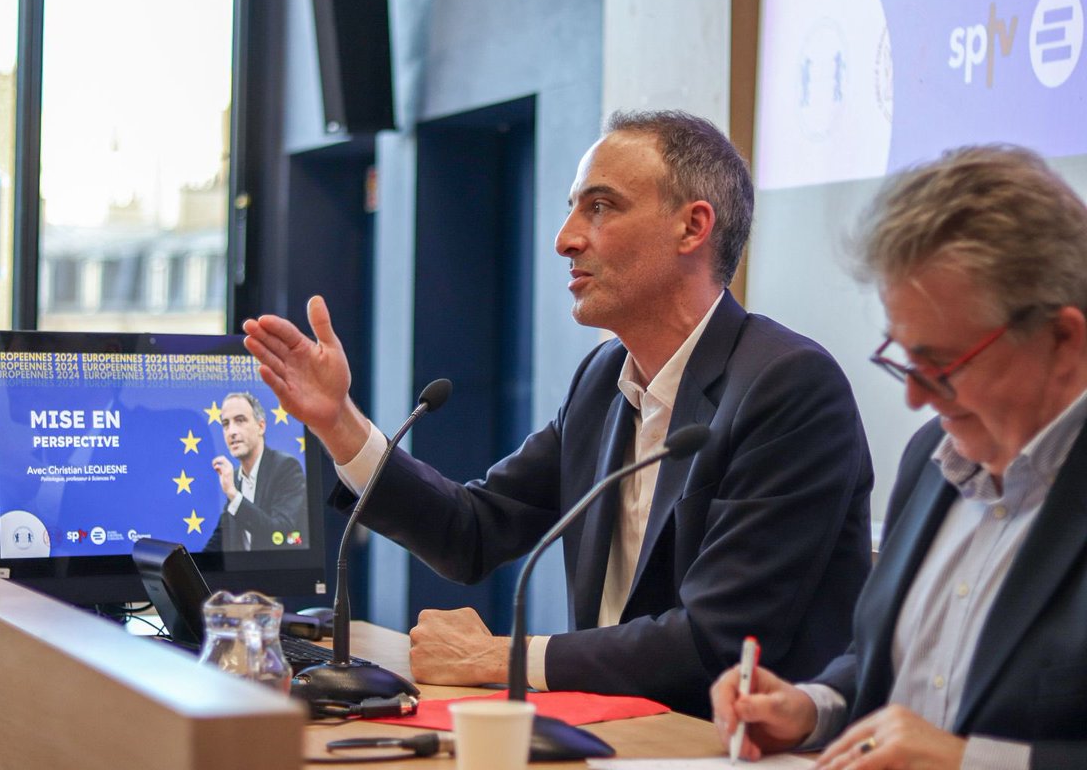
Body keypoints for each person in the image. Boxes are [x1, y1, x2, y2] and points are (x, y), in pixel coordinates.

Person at [243, 110, 872, 716]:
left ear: (692, 227)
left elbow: (720, 643)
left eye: (599, 207)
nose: (565, 237)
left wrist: (502, 656)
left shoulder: (787, 387)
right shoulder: (603, 380)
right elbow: (473, 532)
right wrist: (337, 420)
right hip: (612, 735)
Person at [711, 145, 1087, 768]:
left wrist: (974, 763)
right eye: (904, 359)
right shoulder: (932, 458)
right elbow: (895, 662)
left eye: (941, 365)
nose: (915, 397)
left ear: (1064, 340)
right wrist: (813, 707)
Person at [204, 391, 308, 551]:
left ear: (261, 426)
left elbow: (279, 533)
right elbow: (219, 543)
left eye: (240, 421)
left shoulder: (286, 467)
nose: (232, 431)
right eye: (226, 424)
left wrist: (233, 495)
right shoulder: (237, 480)